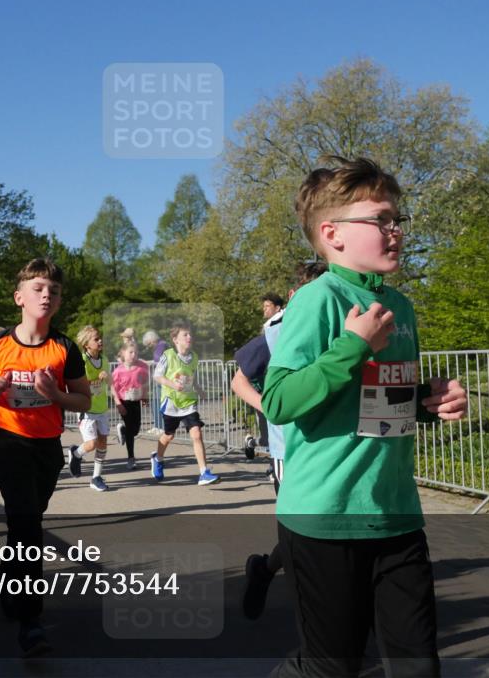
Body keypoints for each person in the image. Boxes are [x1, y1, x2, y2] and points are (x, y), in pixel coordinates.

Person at [261, 157, 468, 678]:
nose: (395, 231)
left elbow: (376, 403)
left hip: (396, 514)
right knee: (333, 668)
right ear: (332, 234)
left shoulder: (401, 305)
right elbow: (280, 400)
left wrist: (429, 400)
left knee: (418, 667)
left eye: (398, 219)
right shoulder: (317, 299)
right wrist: (352, 345)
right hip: (323, 517)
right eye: (381, 220)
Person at [0, 258, 91, 657]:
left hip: (47, 447)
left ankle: (6, 576)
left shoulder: (65, 348)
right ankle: (31, 622)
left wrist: (55, 396)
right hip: (8, 443)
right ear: (20, 297)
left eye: (53, 291)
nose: (47, 295)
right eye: (38, 288)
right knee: (28, 528)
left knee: (28, 520)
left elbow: (85, 399)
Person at [232, 261, 327, 620]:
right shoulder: (279, 331)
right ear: (294, 296)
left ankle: (266, 569)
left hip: (334, 448)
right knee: (303, 535)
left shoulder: (345, 322)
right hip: (290, 450)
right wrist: (271, 408)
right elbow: (239, 381)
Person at [151, 322, 219, 486]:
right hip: (171, 402)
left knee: (196, 434)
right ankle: (157, 459)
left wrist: (199, 389)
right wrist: (172, 384)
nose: (190, 337)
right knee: (169, 435)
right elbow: (157, 376)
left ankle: (204, 472)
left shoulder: (194, 357)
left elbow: (191, 377)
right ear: (175, 339)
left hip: (188, 402)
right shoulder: (168, 355)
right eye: (185, 335)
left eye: (190, 335)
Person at [68, 325, 111, 491]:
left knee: (103, 443)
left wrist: (108, 378)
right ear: (86, 344)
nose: (100, 341)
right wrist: (92, 381)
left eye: (100, 338)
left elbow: (110, 382)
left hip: (101, 408)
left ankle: (96, 477)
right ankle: (76, 453)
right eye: (96, 339)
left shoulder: (104, 360)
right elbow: (78, 384)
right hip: (86, 407)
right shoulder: (82, 361)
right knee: (91, 443)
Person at [111, 339, 149, 470]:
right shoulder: (118, 371)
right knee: (130, 428)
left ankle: (123, 430)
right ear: (123, 353)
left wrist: (145, 396)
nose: (134, 354)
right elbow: (113, 388)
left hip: (136, 401)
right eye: (131, 352)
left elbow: (145, 383)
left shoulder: (142, 367)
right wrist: (118, 404)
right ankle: (131, 458)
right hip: (124, 401)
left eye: (136, 352)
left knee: (135, 430)